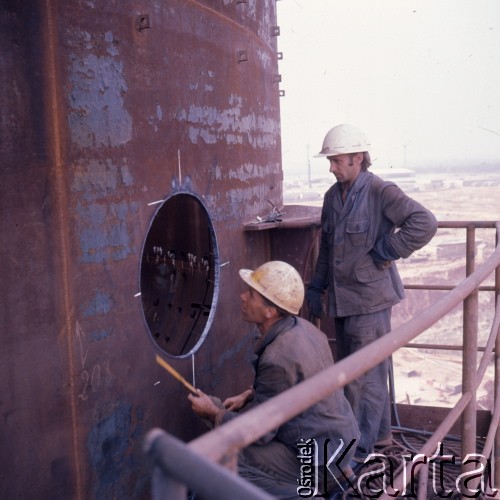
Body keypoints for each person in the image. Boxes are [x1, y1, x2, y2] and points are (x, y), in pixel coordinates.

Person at [306, 123, 438, 468]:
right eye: (331, 161)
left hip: (371, 300)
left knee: (364, 379)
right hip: (343, 301)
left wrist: (386, 250)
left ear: (358, 158)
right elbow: (327, 249)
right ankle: (378, 437)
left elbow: (424, 222)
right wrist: (316, 288)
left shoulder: (380, 190)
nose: (332, 168)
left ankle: (358, 454)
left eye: (337, 161)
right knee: (359, 374)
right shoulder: (332, 197)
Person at [188, 261, 360, 499]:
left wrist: (214, 413)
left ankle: (305, 493)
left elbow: (258, 433)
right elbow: (296, 383)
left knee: (225, 457)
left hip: (317, 460)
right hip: (338, 445)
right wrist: (250, 393)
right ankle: (332, 477)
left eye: (251, 294)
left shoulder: (277, 357)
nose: (242, 296)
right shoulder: (306, 330)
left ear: (270, 311)